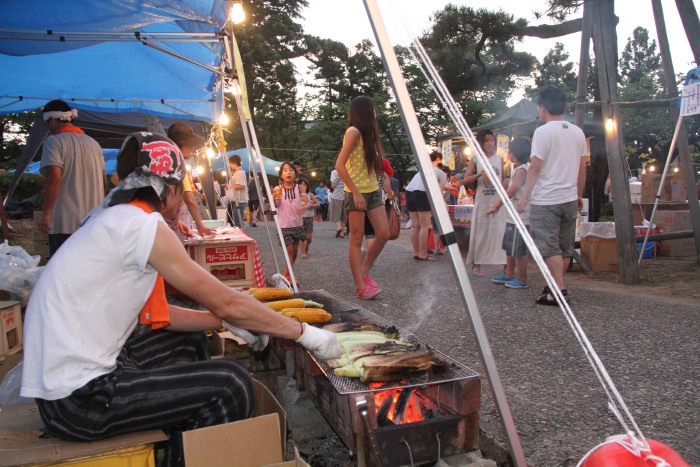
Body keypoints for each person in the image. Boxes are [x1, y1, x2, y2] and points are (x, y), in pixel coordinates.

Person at [20, 132, 342, 465]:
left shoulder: (107, 219)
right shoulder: (141, 227)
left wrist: (223, 321)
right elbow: (226, 300)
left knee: (189, 343)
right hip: (79, 400)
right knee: (232, 385)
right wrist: (305, 333)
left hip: (63, 388)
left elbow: (160, 315)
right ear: (171, 190)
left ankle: (179, 449)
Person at [517, 86, 587, 305]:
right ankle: (553, 288)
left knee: (549, 249)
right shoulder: (577, 132)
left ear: (543, 107)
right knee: (564, 247)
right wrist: (579, 194)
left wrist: (525, 197)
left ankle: (559, 291)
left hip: (546, 199)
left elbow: (535, 167)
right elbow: (582, 167)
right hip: (569, 197)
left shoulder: (543, 131)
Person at [334, 96, 390, 300]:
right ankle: (360, 285)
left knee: (384, 233)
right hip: (355, 192)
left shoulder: (369, 135)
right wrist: (356, 192)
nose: (375, 115)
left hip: (373, 190)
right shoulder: (353, 132)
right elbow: (339, 165)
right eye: (373, 111)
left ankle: (364, 271)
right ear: (365, 112)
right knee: (356, 239)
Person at [37, 99, 106, 255]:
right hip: (92, 221)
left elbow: (54, 177)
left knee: (62, 273)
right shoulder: (94, 143)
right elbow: (103, 181)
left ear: (53, 120)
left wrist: (46, 212)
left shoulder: (53, 141)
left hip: (64, 222)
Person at [485, 137, 532, 289]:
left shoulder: (523, 169)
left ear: (514, 153)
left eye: (509, 151)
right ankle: (508, 274)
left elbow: (511, 191)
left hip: (521, 216)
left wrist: (496, 206)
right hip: (513, 216)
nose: (507, 154)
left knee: (519, 250)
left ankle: (522, 279)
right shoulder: (517, 168)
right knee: (509, 247)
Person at [461, 129, 506, 276]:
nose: (490, 143)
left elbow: (504, 178)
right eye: (486, 141)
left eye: (492, 140)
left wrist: (508, 185)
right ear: (481, 143)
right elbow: (466, 180)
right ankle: (476, 264)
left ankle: (506, 266)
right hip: (482, 199)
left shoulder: (499, 159)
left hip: (497, 200)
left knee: (500, 232)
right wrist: (480, 174)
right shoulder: (476, 159)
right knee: (480, 232)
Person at [166, 122, 215, 239]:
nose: (193, 147)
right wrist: (200, 225)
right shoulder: (178, 163)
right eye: (191, 144)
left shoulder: (163, 159)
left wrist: (177, 220)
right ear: (183, 144)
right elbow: (189, 199)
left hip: (160, 221)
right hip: (168, 228)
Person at [405, 151, 448, 261]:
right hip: (422, 194)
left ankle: (416, 252)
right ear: (439, 159)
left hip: (409, 192)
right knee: (424, 225)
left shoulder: (421, 171)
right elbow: (439, 190)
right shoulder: (441, 173)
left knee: (415, 225)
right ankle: (423, 254)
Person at [276, 161, 313, 285]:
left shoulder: (299, 188)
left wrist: (303, 207)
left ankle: (287, 272)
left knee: (295, 251)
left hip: (297, 224)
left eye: (291, 170)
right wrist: (275, 198)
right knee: (290, 250)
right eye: (285, 170)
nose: (288, 172)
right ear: (281, 175)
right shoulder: (278, 189)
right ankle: (290, 276)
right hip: (284, 225)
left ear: (295, 174)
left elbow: (308, 202)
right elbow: (275, 205)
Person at [299, 179, 320, 259]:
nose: (303, 186)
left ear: (307, 186)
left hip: (309, 217)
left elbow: (318, 204)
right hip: (300, 217)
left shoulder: (310, 194)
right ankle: (303, 252)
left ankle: (307, 245)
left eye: (304, 185)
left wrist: (311, 205)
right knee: (301, 236)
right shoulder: (296, 195)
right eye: (301, 185)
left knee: (309, 237)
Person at [225, 154, 248, 229]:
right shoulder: (237, 172)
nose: (230, 166)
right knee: (237, 221)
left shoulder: (240, 172)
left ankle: (241, 235)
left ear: (234, 162)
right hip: (236, 200)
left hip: (239, 200)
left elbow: (242, 186)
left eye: (230, 164)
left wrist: (230, 186)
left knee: (238, 222)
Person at [329, 168, 347, 238]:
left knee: (336, 214)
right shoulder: (348, 170)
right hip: (346, 196)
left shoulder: (335, 172)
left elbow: (333, 185)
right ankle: (342, 232)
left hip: (337, 196)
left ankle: (339, 228)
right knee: (344, 216)